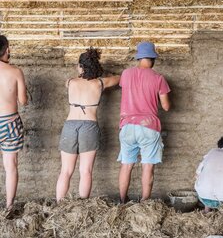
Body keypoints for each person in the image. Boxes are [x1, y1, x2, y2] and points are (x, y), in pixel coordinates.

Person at [56, 47, 120, 201]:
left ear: (80, 66)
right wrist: (104, 74)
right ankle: (82, 206)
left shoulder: (70, 82)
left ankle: (59, 206)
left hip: (70, 126)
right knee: (86, 171)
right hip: (89, 126)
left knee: (65, 170)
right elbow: (120, 78)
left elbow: (76, 79)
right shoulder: (100, 83)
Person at [118, 41, 171, 203]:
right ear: (153, 59)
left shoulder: (126, 74)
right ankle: (145, 202)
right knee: (147, 166)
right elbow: (166, 107)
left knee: (126, 165)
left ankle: (122, 201)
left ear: (138, 58)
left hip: (127, 126)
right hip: (148, 126)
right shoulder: (158, 78)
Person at [0, 35, 27, 210]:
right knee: (11, 167)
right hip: (10, 122)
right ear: (6, 50)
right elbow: (23, 101)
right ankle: (9, 207)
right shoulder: (15, 71)